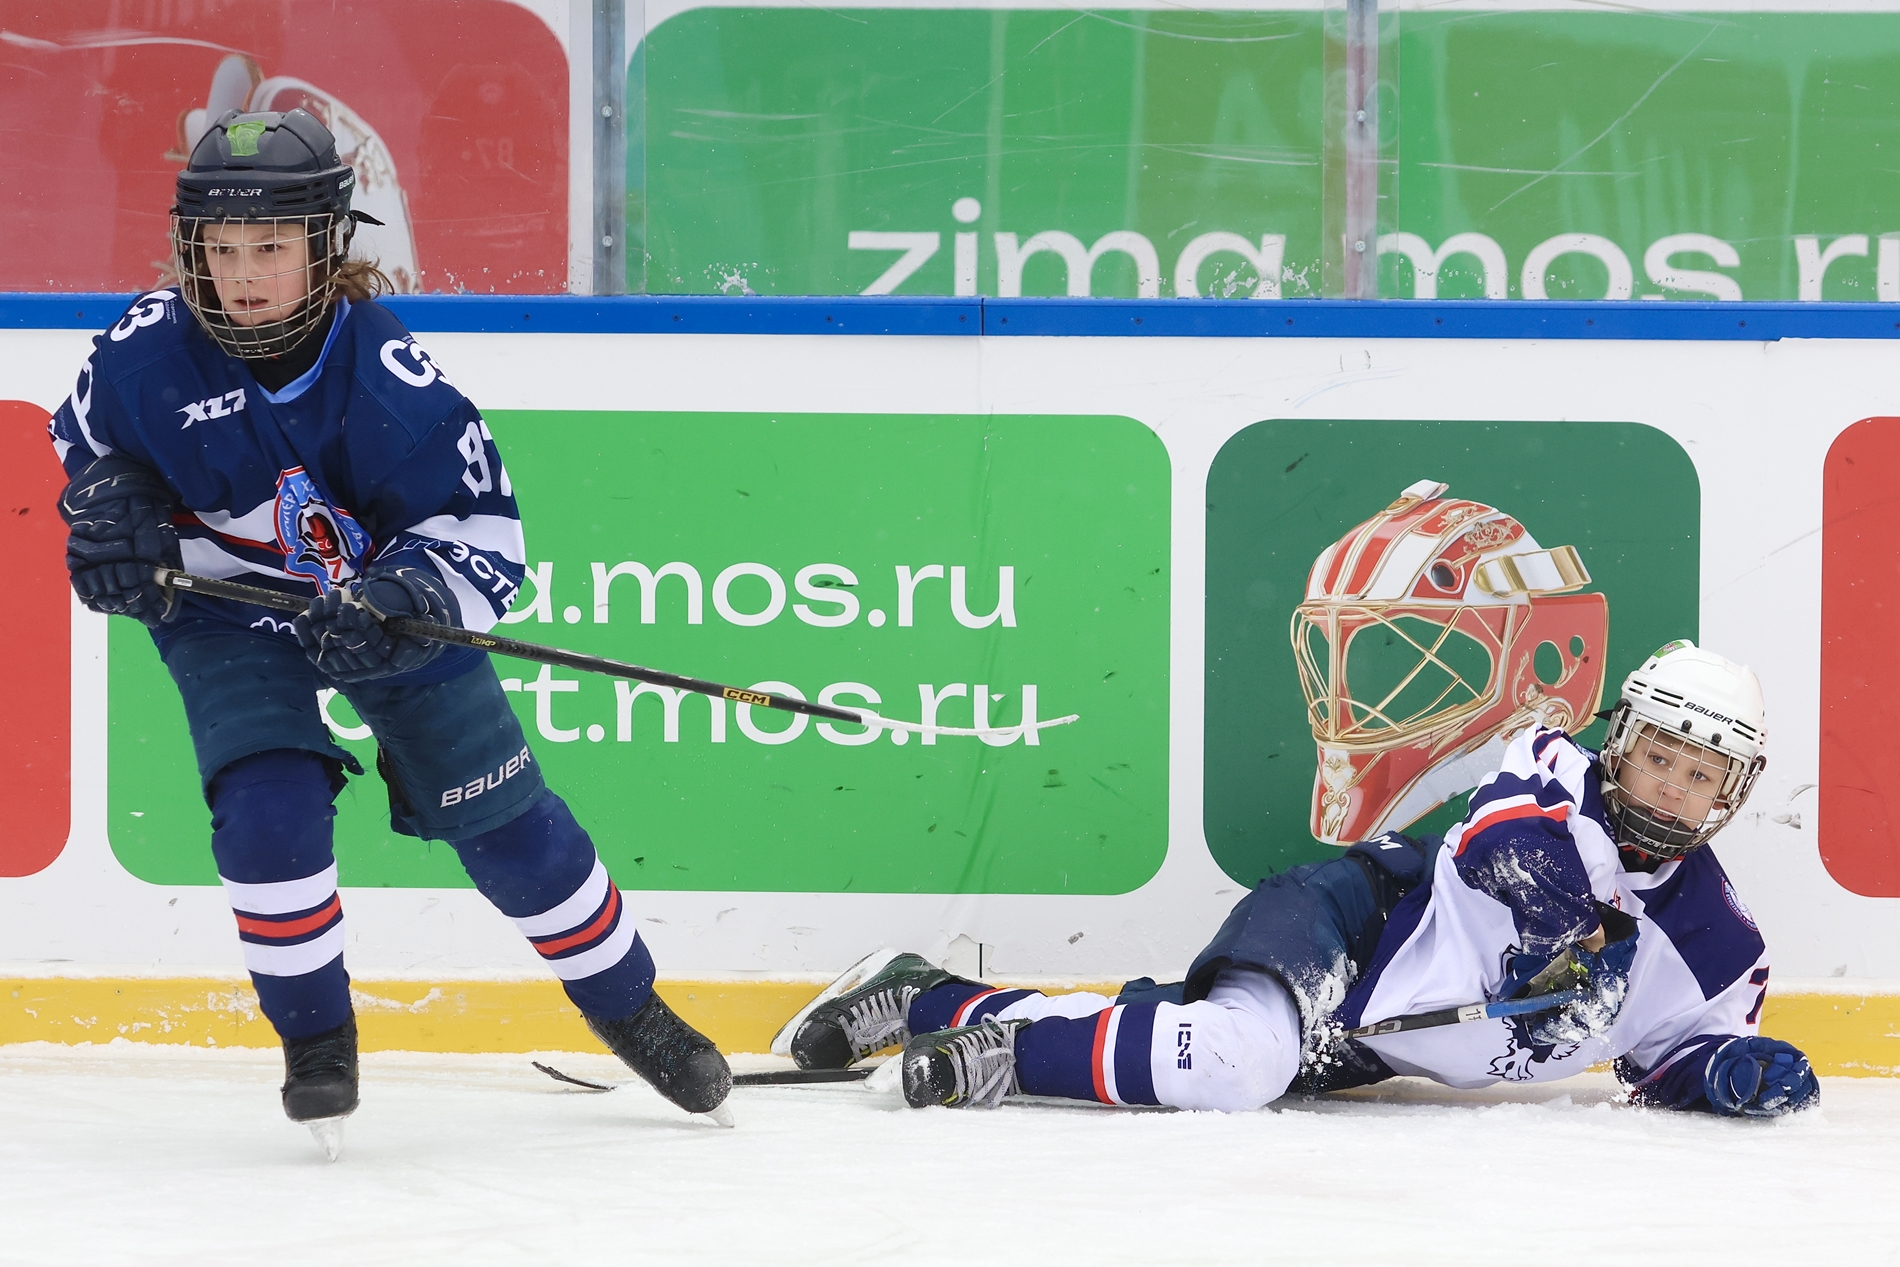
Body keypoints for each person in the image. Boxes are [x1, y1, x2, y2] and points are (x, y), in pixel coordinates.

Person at [48, 109, 730, 1148]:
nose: (243, 276)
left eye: (271, 247)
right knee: (266, 812)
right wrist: (112, 513)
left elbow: (484, 535)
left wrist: (407, 598)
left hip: (380, 607)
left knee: (509, 831)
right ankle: (317, 1042)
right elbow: (88, 446)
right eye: (221, 250)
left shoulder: (390, 381)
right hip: (226, 610)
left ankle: (632, 1009)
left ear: (328, 243)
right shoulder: (144, 351)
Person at [785, 641, 1820, 1119]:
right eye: (1658, 756)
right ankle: (1004, 1060)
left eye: (1701, 774)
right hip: (1351, 928)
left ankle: (923, 997)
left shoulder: (1722, 945)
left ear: (1732, 792)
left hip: (1376, 1040)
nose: (1672, 786)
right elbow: (1507, 846)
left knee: (1186, 1036)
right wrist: (1565, 939)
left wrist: (1729, 1070)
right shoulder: (1549, 766)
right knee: (1234, 1060)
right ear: (1620, 741)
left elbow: (1669, 1052)